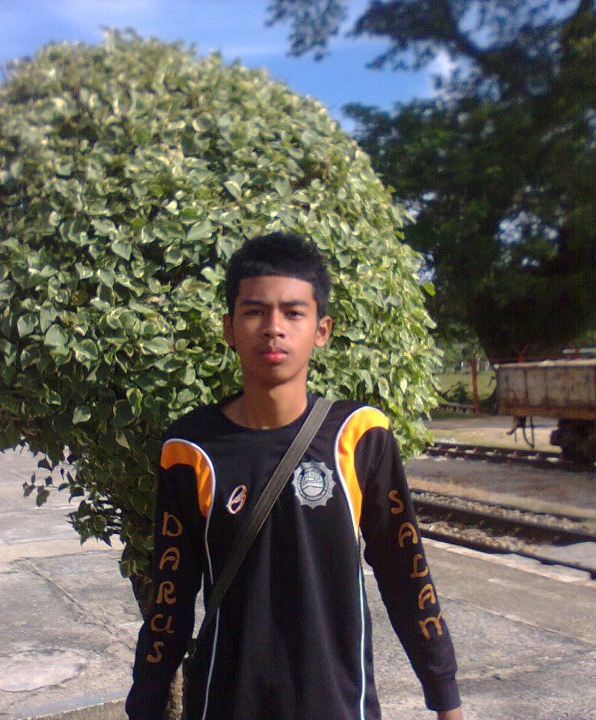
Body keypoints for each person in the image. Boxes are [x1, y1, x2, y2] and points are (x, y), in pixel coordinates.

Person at [127, 233, 463, 720]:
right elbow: (169, 600)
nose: (273, 328)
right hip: (225, 704)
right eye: (254, 311)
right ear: (229, 328)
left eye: (293, 312)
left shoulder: (359, 437)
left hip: (339, 704)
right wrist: (145, 702)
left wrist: (444, 695)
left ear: (321, 330)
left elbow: (406, 575)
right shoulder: (190, 449)